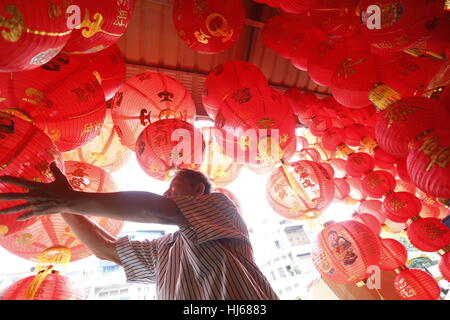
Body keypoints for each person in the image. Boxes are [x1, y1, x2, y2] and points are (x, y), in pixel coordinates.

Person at [0, 163, 279, 300]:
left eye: (173, 187)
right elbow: (105, 249)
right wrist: (58, 206)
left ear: (198, 190)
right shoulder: (166, 248)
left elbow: (159, 210)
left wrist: (66, 199)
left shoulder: (220, 206)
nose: (166, 193)